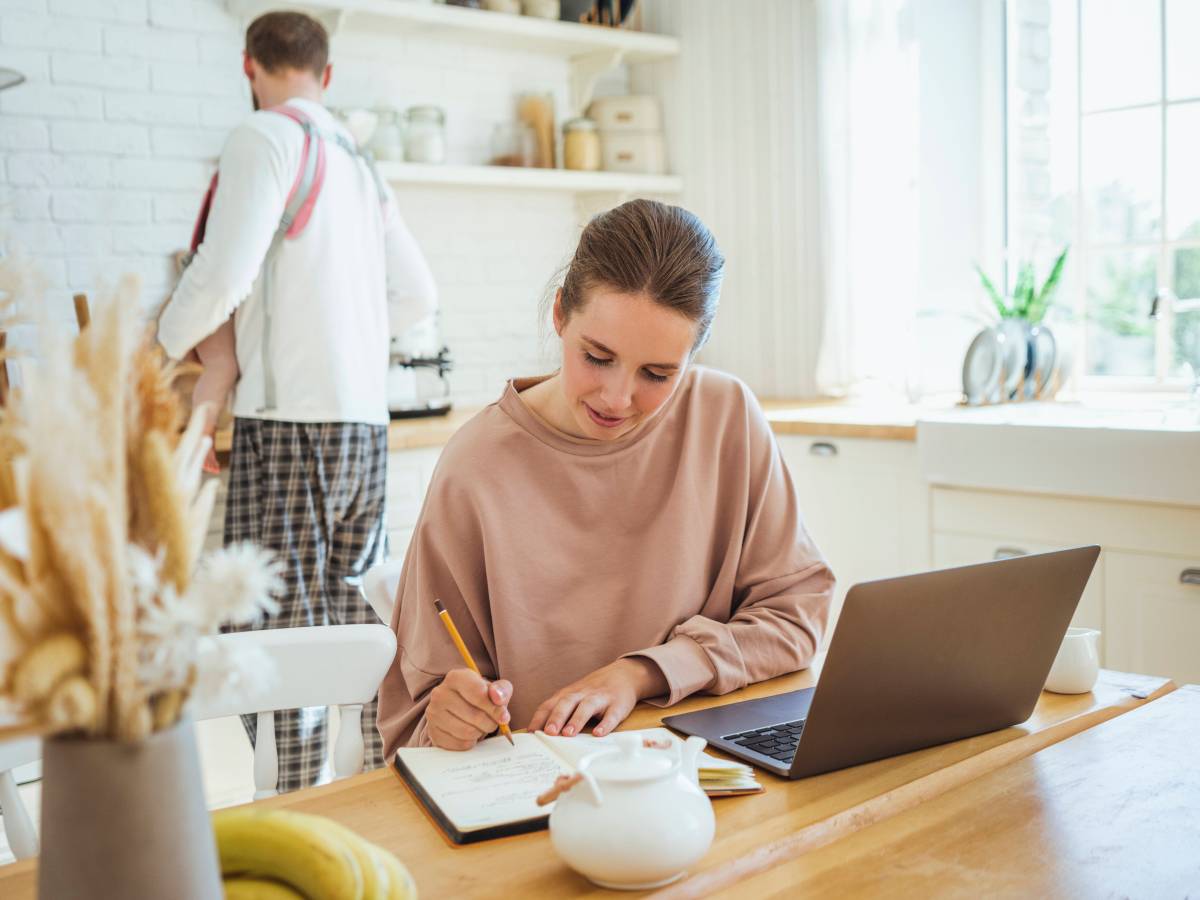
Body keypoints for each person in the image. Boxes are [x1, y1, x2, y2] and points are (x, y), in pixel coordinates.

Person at [377, 199, 832, 754]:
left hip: (707, 775)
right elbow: (414, 722)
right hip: (548, 794)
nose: (617, 399)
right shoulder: (474, 468)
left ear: (694, 354)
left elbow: (798, 617)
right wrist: (450, 716)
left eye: (658, 373)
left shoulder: (725, 416)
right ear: (560, 314)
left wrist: (641, 674)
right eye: (597, 356)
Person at [158, 11, 437, 790]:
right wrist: (346, 338)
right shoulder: (360, 161)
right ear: (329, 75)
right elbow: (417, 293)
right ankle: (382, 799)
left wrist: (161, 349)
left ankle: (291, 815)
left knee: (275, 640)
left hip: (289, 427)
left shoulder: (265, 138)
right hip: (364, 429)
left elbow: (221, 274)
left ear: (248, 67)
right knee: (357, 627)